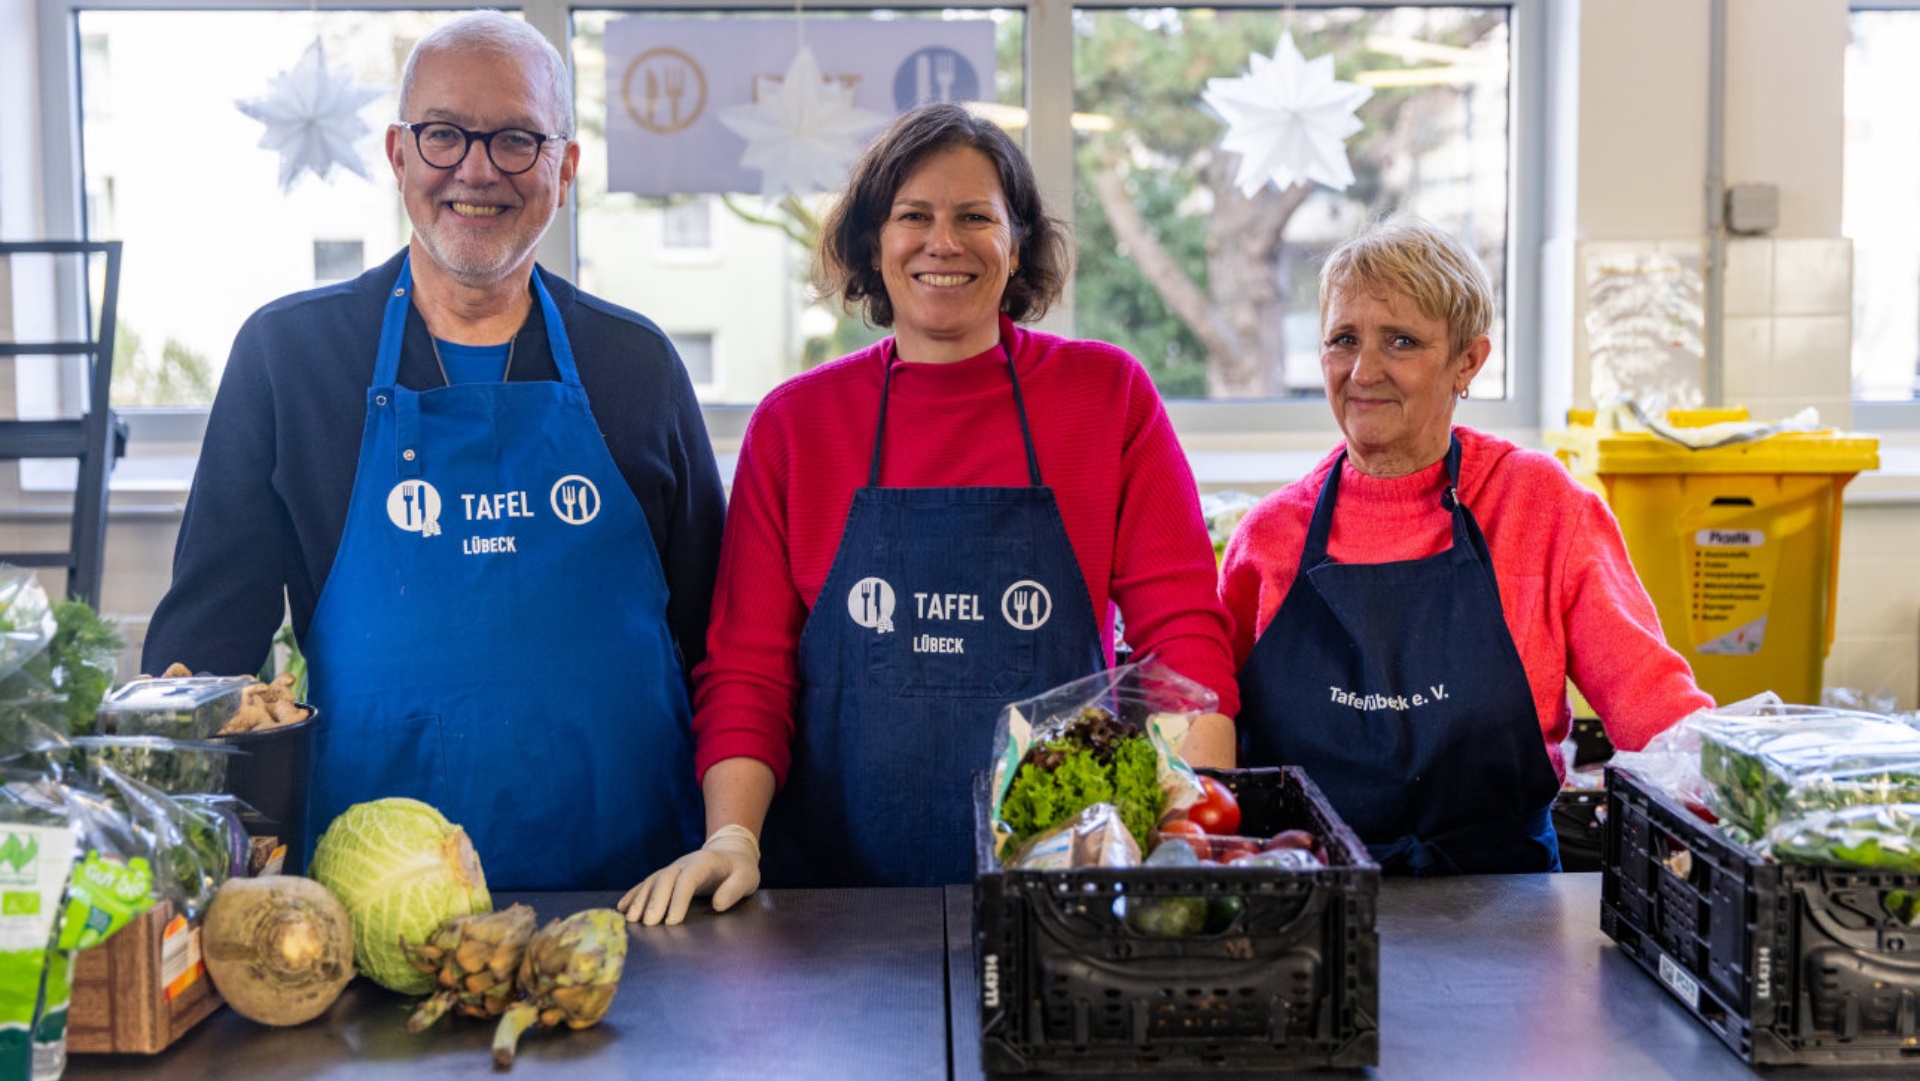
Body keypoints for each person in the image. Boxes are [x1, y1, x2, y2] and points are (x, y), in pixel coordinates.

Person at [141, 11, 724, 890]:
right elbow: (202, 665)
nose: (477, 169)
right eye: (444, 135)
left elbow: (722, 647)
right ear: (399, 154)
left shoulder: (636, 363)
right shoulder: (289, 359)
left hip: (638, 895)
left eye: (518, 139)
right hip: (369, 908)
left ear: (564, 168)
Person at [618, 103, 1239, 923]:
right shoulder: (796, 425)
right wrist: (732, 834)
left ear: (1017, 245)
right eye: (914, 216)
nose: (942, 241)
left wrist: (1194, 836)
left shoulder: (1106, 397)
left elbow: (1183, 646)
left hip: (1061, 889)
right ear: (872, 244)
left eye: (975, 216)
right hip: (833, 902)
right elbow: (748, 668)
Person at [1220, 216, 1713, 876]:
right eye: (1344, 339)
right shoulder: (1268, 537)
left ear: (1468, 361)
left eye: (1401, 341)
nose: (1364, 371)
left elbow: (1654, 709)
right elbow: (1211, 736)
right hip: (1313, 905)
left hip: (1507, 909)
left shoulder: (1540, 504)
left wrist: (1738, 803)